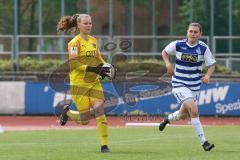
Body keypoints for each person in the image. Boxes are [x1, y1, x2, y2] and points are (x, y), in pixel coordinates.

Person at [56, 13, 111, 153]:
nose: (89, 26)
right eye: (85, 23)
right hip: (78, 84)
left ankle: (104, 145)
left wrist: (107, 67)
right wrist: (94, 68)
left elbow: (99, 59)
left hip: (94, 82)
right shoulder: (74, 43)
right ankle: (67, 113)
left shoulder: (93, 40)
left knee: (99, 110)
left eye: (90, 23)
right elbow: (74, 64)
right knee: (85, 120)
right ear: (78, 25)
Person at [158, 22, 215, 151]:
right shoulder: (178, 44)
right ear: (187, 32)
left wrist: (207, 76)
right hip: (179, 83)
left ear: (200, 34)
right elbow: (164, 52)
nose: (193, 34)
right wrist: (168, 65)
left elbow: (211, 65)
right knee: (194, 110)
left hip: (195, 85)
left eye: (195, 32)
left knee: (183, 115)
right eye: (191, 31)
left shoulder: (203, 48)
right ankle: (204, 142)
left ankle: (168, 119)